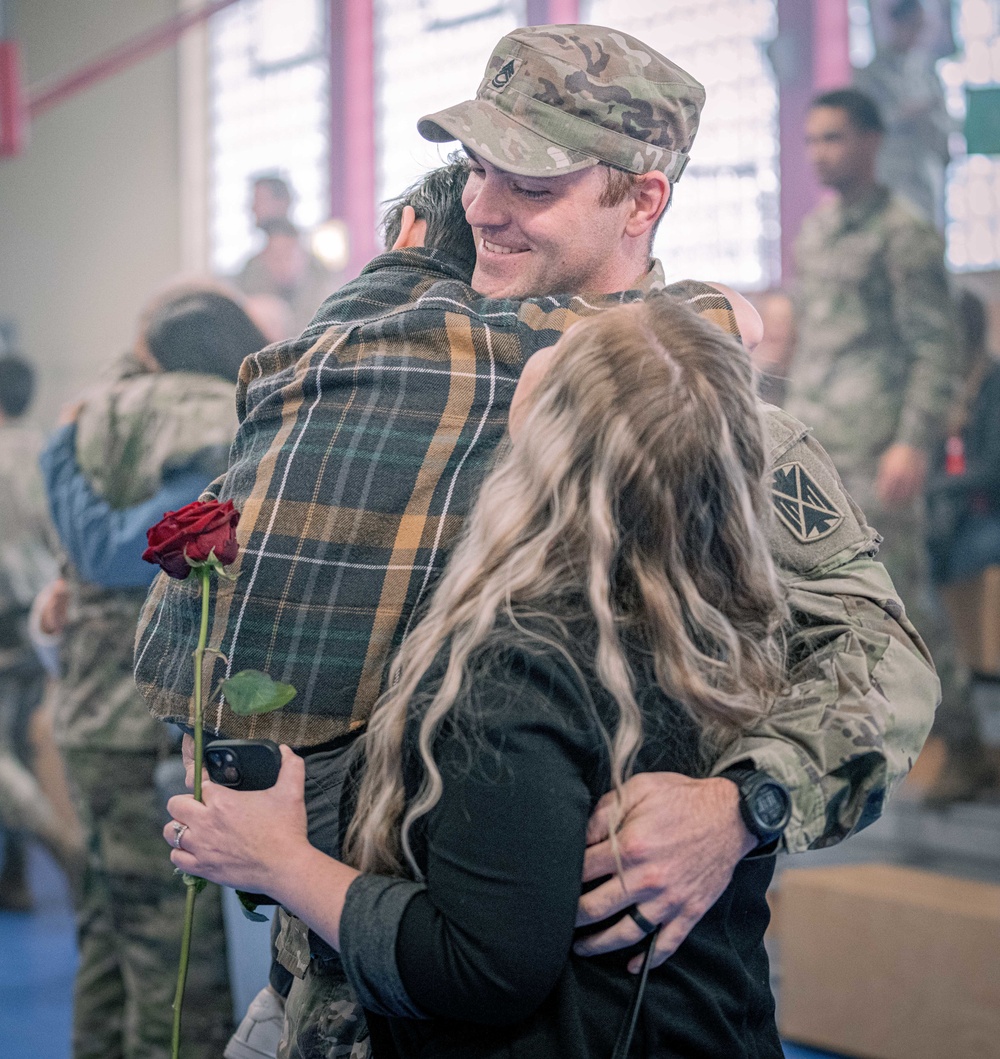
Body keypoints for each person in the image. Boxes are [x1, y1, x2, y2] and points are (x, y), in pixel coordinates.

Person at [136, 25, 938, 1056]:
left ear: (640, 200)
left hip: (558, 1006)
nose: (485, 209)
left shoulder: (689, 418)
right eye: (475, 170)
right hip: (332, 984)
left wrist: (743, 805)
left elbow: (878, 657)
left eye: (533, 184)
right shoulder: (393, 375)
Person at [167, 295, 791, 1058]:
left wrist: (278, 861)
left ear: (555, 445)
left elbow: (483, 967)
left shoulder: (521, 663)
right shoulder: (731, 613)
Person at [39, 284, 268, 1059]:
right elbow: (125, 550)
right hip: (145, 724)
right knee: (172, 956)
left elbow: (98, 551)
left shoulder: (98, 421)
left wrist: (61, 451)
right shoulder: (221, 426)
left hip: (91, 714)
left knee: (108, 931)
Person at [784, 85, 962, 797]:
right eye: (814, 140)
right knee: (806, 596)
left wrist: (913, 441)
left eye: (835, 138)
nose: (822, 153)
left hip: (878, 444)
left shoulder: (904, 233)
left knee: (902, 596)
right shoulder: (816, 232)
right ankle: (842, 737)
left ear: (871, 141)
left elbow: (935, 346)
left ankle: (962, 743)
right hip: (815, 443)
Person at [0, 353, 75, 910]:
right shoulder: (48, 447)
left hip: (4, 610)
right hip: (38, 611)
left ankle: (61, 846)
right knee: (24, 745)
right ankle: (16, 876)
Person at [925, 289, 1000, 798]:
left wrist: (931, 487)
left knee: (931, 573)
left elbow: (991, 471)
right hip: (954, 514)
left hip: (987, 517)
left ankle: (958, 717)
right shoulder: (945, 387)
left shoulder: (992, 383)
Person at [854, 0, 951, 230]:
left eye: (922, 27)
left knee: (926, 238)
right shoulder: (872, 75)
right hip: (891, 172)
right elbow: (865, 126)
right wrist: (903, 114)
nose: (918, 34)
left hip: (926, 170)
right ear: (897, 25)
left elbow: (943, 121)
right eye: (913, 26)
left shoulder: (927, 71)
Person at [235, 175, 340, 336]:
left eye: (259, 200)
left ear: (281, 202)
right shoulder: (251, 269)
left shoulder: (317, 271)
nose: (253, 208)